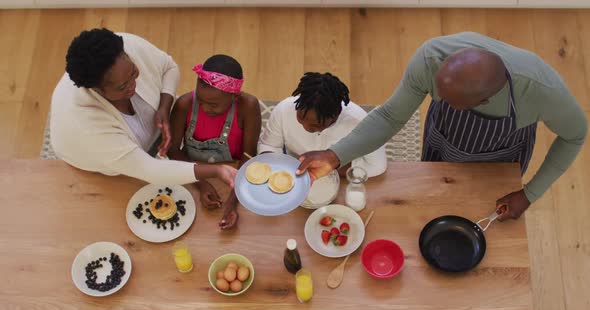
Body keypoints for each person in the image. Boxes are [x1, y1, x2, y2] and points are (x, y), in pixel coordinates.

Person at [296, 32, 587, 221]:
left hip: (501, 157)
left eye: (451, 101)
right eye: (439, 95)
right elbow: (390, 117)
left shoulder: (542, 91)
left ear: (484, 100)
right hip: (443, 142)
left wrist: (529, 194)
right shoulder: (430, 59)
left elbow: (575, 135)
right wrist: (334, 155)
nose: (438, 100)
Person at [51, 28, 236, 187]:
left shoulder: (126, 45)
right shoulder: (88, 127)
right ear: (97, 90)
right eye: (123, 87)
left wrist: (164, 107)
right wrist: (215, 171)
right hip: (102, 161)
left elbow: (169, 67)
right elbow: (151, 171)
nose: (133, 83)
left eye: (133, 71)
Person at [168, 55, 261, 230]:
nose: (204, 108)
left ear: (234, 97)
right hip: (192, 172)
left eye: (213, 104)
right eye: (200, 100)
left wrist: (233, 202)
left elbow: (248, 156)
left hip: (234, 175)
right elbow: (172, 151)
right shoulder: (184, 105)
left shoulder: (248, 106)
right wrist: (201, 183)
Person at [258, 72, 387, 179]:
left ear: (335, 115)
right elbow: (268, 145)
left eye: (315, 125)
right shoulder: (283, 110)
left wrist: (333, 168)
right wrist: (276, 166)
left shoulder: (360, 123)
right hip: (293, 174)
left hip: (341, 179)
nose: (305, 126)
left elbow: (378, 165)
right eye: (300, 117)